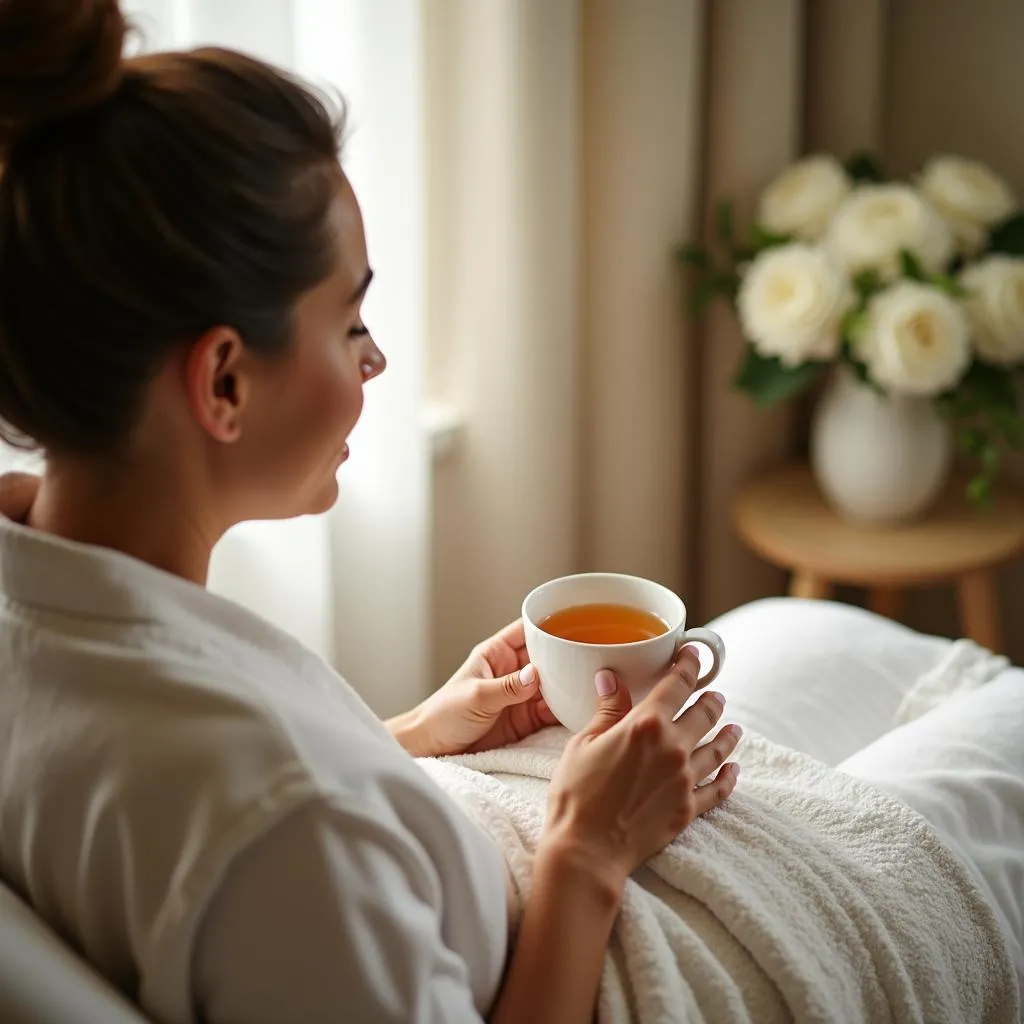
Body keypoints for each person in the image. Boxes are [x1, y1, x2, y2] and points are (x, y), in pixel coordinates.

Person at [0, 2, 1020, 1022]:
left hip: (467, 845)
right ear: (223, 380)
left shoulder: (40, 604)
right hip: (607, 951)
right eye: (349, 319)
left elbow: (245, 803)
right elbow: (276, 831)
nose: (376, 359)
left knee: (788, 635)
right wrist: (588, 849)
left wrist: (400, 736)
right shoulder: (283, 835)